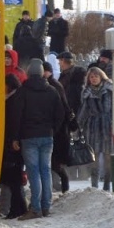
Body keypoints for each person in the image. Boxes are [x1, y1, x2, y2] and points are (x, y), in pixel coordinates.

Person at [10, 58, 65, 220]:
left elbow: (16, 116)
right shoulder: (52, 91)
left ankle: (35, 208)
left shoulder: (22, 91)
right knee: (45, 171)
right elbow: (60, 114)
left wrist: (15, 138)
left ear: (28, 73)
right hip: (47, 136)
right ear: (42, 73)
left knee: (33, 172)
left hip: (28, 137)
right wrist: (52, 129)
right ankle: (46, 206)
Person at [77, 66, 114, 191]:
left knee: (109, 157)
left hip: (108, 126)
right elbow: (83, 111)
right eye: (91, 77)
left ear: (101, 76)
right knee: (94, 158)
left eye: (96, 76)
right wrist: (77, 127)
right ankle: (94, 186)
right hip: (93, 128)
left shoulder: (109, 90)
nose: (93, 79)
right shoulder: (87, 93)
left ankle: (107, 185)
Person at [0, 74, 27, 220]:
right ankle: (18, 207)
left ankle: (17, 208)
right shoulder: (16, 97)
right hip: (14, 143)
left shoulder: (14, 100)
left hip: (13, 144)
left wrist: (14, 140)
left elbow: (14, 122)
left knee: (12, 178)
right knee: (13, 178)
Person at [43, 61, 72, 193]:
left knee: (54, 162)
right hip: (55, 129)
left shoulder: (54, 85)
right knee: (52, 162)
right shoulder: (53, 84)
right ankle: (59, 185)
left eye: (45, 70)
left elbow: (62, 110)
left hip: (57, 131)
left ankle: (63, 184)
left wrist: (55, 128)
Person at [57, 51, 86, 120]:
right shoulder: (63, 74)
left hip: (75, 109)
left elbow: (78, 93)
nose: (59, 63)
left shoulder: (78, 73)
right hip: (65, 109)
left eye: (60, 61)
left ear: (64, 61)